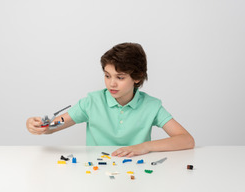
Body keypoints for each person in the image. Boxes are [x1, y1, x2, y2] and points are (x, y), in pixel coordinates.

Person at [26, 42, 195, 157]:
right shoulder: (91, 102)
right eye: (107, 76)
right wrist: (40, 126)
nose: (111, 83)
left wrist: (143, 147)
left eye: (120, 77)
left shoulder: (151, 106)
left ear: (137, 77)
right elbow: (54, 126)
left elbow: (186, 140)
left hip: (136, 172)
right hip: (96, 171)